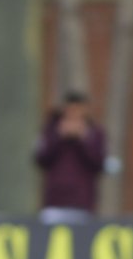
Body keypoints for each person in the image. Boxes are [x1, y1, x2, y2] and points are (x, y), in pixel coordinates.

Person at [34, 90, 106, 225]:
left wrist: (83, 140)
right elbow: (40, 158)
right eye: (70, 110)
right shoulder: (51, 130)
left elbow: (99, 163)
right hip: (54, 201)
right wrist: (58, 137)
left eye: (78, 110)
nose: (74, 114)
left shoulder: (95, 133)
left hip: (82, 202)